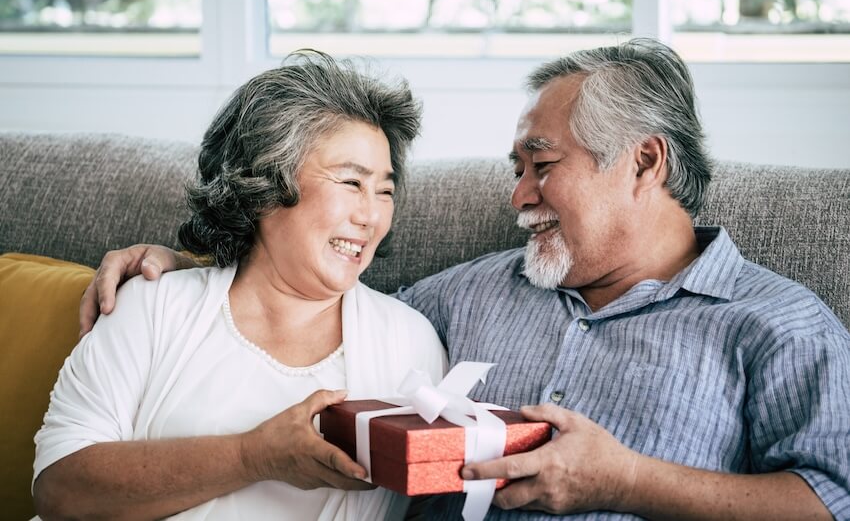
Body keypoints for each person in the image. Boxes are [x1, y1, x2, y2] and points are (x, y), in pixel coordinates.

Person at [78, 39, 850, 520]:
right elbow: (322, 299)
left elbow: (834, 497)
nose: (518, 197)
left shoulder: (777, 323)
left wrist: (628, 481)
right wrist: (201, 261)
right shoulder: (468, 292)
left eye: (541, 165)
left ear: (644, 162)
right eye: (516, 170)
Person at [33, 51, 447, 520]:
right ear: (265, 185)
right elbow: (58, 491)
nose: (371, 216)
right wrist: (254, 456)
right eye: (351, 182)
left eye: (385, 191)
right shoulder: (153, 306)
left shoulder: (411, 344)